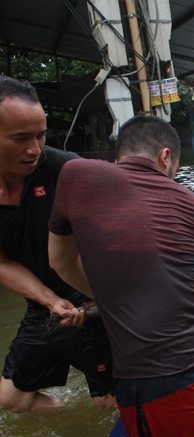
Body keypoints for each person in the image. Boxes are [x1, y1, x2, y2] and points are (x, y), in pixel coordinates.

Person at [48, 115, 194, 437]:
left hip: (163, 383)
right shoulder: (193, 202)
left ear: (118, 154)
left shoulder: (77, 175)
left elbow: (60, 262)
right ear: (165, 157)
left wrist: (116, 296)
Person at [0, 75, 115, 414]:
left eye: (40, 134)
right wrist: (51, 301)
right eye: (21, 138)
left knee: (107, 399)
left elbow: (123, 212)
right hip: (47, 303)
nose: (34, 148)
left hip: (95, 296)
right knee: (11, 399)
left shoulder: (66, 169)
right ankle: (73, 419)